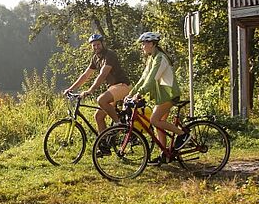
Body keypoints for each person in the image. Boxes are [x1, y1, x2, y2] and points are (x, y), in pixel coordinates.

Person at [127, 32, 185, 163]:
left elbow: (152, 79)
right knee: (159, 125)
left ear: (152, 44)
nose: (142, 47)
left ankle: (183, 134)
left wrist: (140, 93)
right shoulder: (152, 58)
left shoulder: (160, 58)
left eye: (144, 44)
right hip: (162, 96)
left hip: (170, 94)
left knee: (154, 120)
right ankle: (164, 155)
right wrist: (131, 93)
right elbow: (143, 78)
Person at [63, 33, 131, 140]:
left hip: (123, 86)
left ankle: (120, 125)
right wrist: (71, 88)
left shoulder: (110, 55)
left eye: (98, 44)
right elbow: (85, 75)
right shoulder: (95, 58)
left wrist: (90, 90)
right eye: (93, 45)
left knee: (101, 100)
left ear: (103, 44)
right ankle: (104, 144)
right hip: (113, 88)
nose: (96, 47)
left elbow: (102, 75)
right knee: (98, 116)